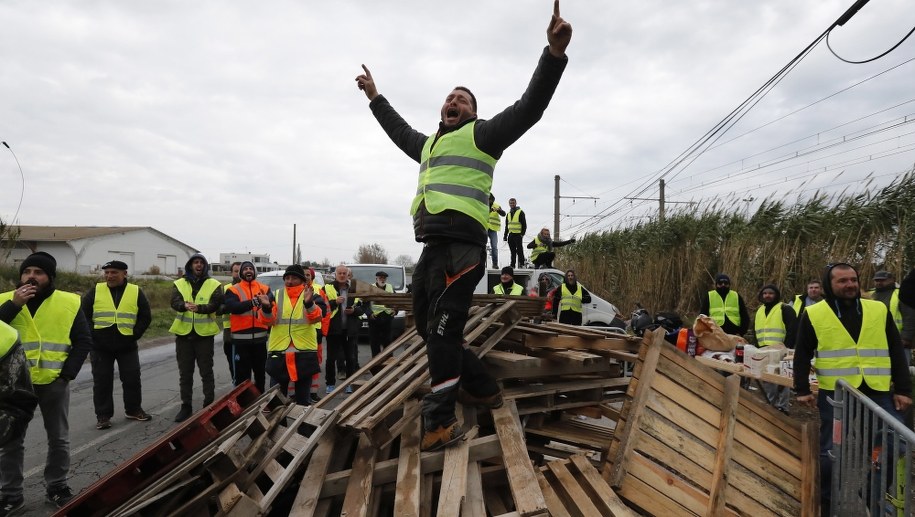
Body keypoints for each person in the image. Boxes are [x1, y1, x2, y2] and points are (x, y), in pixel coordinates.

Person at [355, 0, 571, 451]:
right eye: (450, 98)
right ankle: (484, 388)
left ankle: (439, 422)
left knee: (442, 332)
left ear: (473, 112)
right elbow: (399, 131)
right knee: (426, 327)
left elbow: (529, 109)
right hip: (432, 248)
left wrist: (553, 55)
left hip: (463, 251)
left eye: (463, 99)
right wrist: (376, 98)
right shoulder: (430, 144)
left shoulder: (483, 136)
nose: (454, 101)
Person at [793, 263, 912, 511]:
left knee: (895, 445)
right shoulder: (814, 314)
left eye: (853, 280)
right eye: (842, 281)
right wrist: (802, 389)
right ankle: (825, 503)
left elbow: (895, 350)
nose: (850, 285)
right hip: (836, 395)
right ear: (829, 285)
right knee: (829, 454)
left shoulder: (877, 309)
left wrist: (903, 389)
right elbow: (802, 353)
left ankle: (870, 492)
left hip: (877, 391)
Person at [0, 252, 92, 509]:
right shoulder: (5, 300)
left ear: (50, 277)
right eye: (26, 271)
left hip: (53, 382)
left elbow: (83, 340)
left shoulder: (69, 302)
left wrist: (66, 375)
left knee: (58, 438)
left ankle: (57, 487)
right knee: (10, 440)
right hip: (12, 385)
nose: (31, 277)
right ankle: (11, 495)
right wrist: (14, 305)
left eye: (38, 272)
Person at [81, 260, 153, 430]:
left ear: (124, 274)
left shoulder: (135, 291)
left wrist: (134, 335)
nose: (109, 276)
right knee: (102, 381)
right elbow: (84, 316)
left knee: (132, 379)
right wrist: (94, 336)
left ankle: (133, 410)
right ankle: (103, 416)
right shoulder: (95, 290)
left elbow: (145, 316)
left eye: (114, 272)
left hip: (127, 345)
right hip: (100, 347)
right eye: (106, 272)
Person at [169, 253, 224, 423]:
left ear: (205, 266)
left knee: (206, 372)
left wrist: (199, 308)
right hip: (184, 335)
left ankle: (209, 405)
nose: (198, 265)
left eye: (201, 262)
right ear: (190, 265)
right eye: (195, 262)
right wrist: (183, 305)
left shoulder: (214, 284)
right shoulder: (179, 283)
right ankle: (186, 406)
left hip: (204, 335)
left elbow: (216, 304)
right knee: (185, 373)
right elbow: (174, 302)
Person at [260, 265, 323, 406]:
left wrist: (309, 303)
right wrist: (266, 308)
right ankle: (279, 421)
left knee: (303, 401)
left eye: (294, 278)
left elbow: (317, 317)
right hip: (279, 352)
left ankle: (301, 421)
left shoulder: (312, 295)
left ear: (302, 280)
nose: (289, 281)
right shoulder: (276, 295)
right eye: (287, 278)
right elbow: (268, 321)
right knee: (276, 401)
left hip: (304, 352)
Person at [224, 261, 272, 394]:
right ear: (241, 273)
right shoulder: (233, 290)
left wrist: (266, 305)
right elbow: (232, 307)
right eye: (245, 269)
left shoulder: (265, 289)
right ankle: (244, 402)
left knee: (260, 375)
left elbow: (271, 306)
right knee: (242, 378)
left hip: (260, 341)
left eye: (251, 268)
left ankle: (260, 399)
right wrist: (252, 302)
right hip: (240, 342)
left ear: (255, 272)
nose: (248, 270)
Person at [753, 284, 796, 414]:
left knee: (782, 379)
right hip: (764, 350)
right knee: (767, 379)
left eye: (771, 293)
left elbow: (793, 330)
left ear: (776, 295)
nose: (767, 295)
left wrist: (787, 348)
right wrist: (756, 347)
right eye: (765, 293)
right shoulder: (760, 310)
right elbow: (756, 330)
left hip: (780, 350)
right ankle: (771, 404)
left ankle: (783, 407)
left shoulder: (785, 309)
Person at [322, 265, 364, 393]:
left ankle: (349, 384)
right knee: (331, 359)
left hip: (350, 330)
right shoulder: (327, 288)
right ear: (335, 274)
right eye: (339, 273)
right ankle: (330, 384)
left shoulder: (355, 289)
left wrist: (354, 310)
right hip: (333, 330)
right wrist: (334, 302)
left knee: (351, 358)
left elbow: (363, 308)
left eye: (344, 273)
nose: (342, 275)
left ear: (348, 275)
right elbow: (321, 307)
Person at [867, 270, 915, 363]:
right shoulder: (868, 294)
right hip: (874, 339)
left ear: (892, 280)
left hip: (898, 340)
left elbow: (910, 317)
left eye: (882, 280)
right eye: (876, 280)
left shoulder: (901, 294)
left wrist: (906, 338)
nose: (879, 283)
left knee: (900, 367)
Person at [219, 261, 242, 376]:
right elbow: (219, 308)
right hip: (230, 331)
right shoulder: (226, 288)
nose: (238, 274)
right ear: (232, 273)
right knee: (232, 361)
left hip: (246, 330)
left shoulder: (251, 288)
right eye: (236, 271)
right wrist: (229, 307)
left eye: (240, 271)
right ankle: (235, 382)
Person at [367, 271, 395, 357]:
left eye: (384, 278)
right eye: (380, 278)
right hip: (375, 318)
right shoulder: (371, 288)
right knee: (374, 342)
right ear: (376, 279)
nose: (382, 280)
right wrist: (370, 314)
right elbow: (365, 303)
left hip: (387, 317)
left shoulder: (390, 287)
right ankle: (376, 361)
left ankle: (388, 360)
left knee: (388, 341)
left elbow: (396, 300)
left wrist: (395, 310)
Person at [503, 198, 527, 269]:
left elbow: (524, 224)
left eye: (513, 203)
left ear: (516, 203)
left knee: (519, 250)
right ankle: (512, 265)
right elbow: (507, 226)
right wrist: (505, 236)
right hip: (511, 235)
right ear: (509, 204)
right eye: (510, 203)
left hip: (518, 234)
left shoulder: (520, 212)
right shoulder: (508, 214)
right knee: (512, 251)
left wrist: (522, 234)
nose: (512, 204)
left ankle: (522, 264)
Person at [487, 194, 506, 269]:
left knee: (494, 247)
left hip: (493, 229)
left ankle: (495, 264)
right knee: (482, 246)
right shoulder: (483, 204)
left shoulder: (496, 205)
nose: (489, 200)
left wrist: (498, 210)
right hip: (484, 227)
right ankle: (481, 263)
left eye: (490, 199)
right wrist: (490, 210)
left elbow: (503, 214)